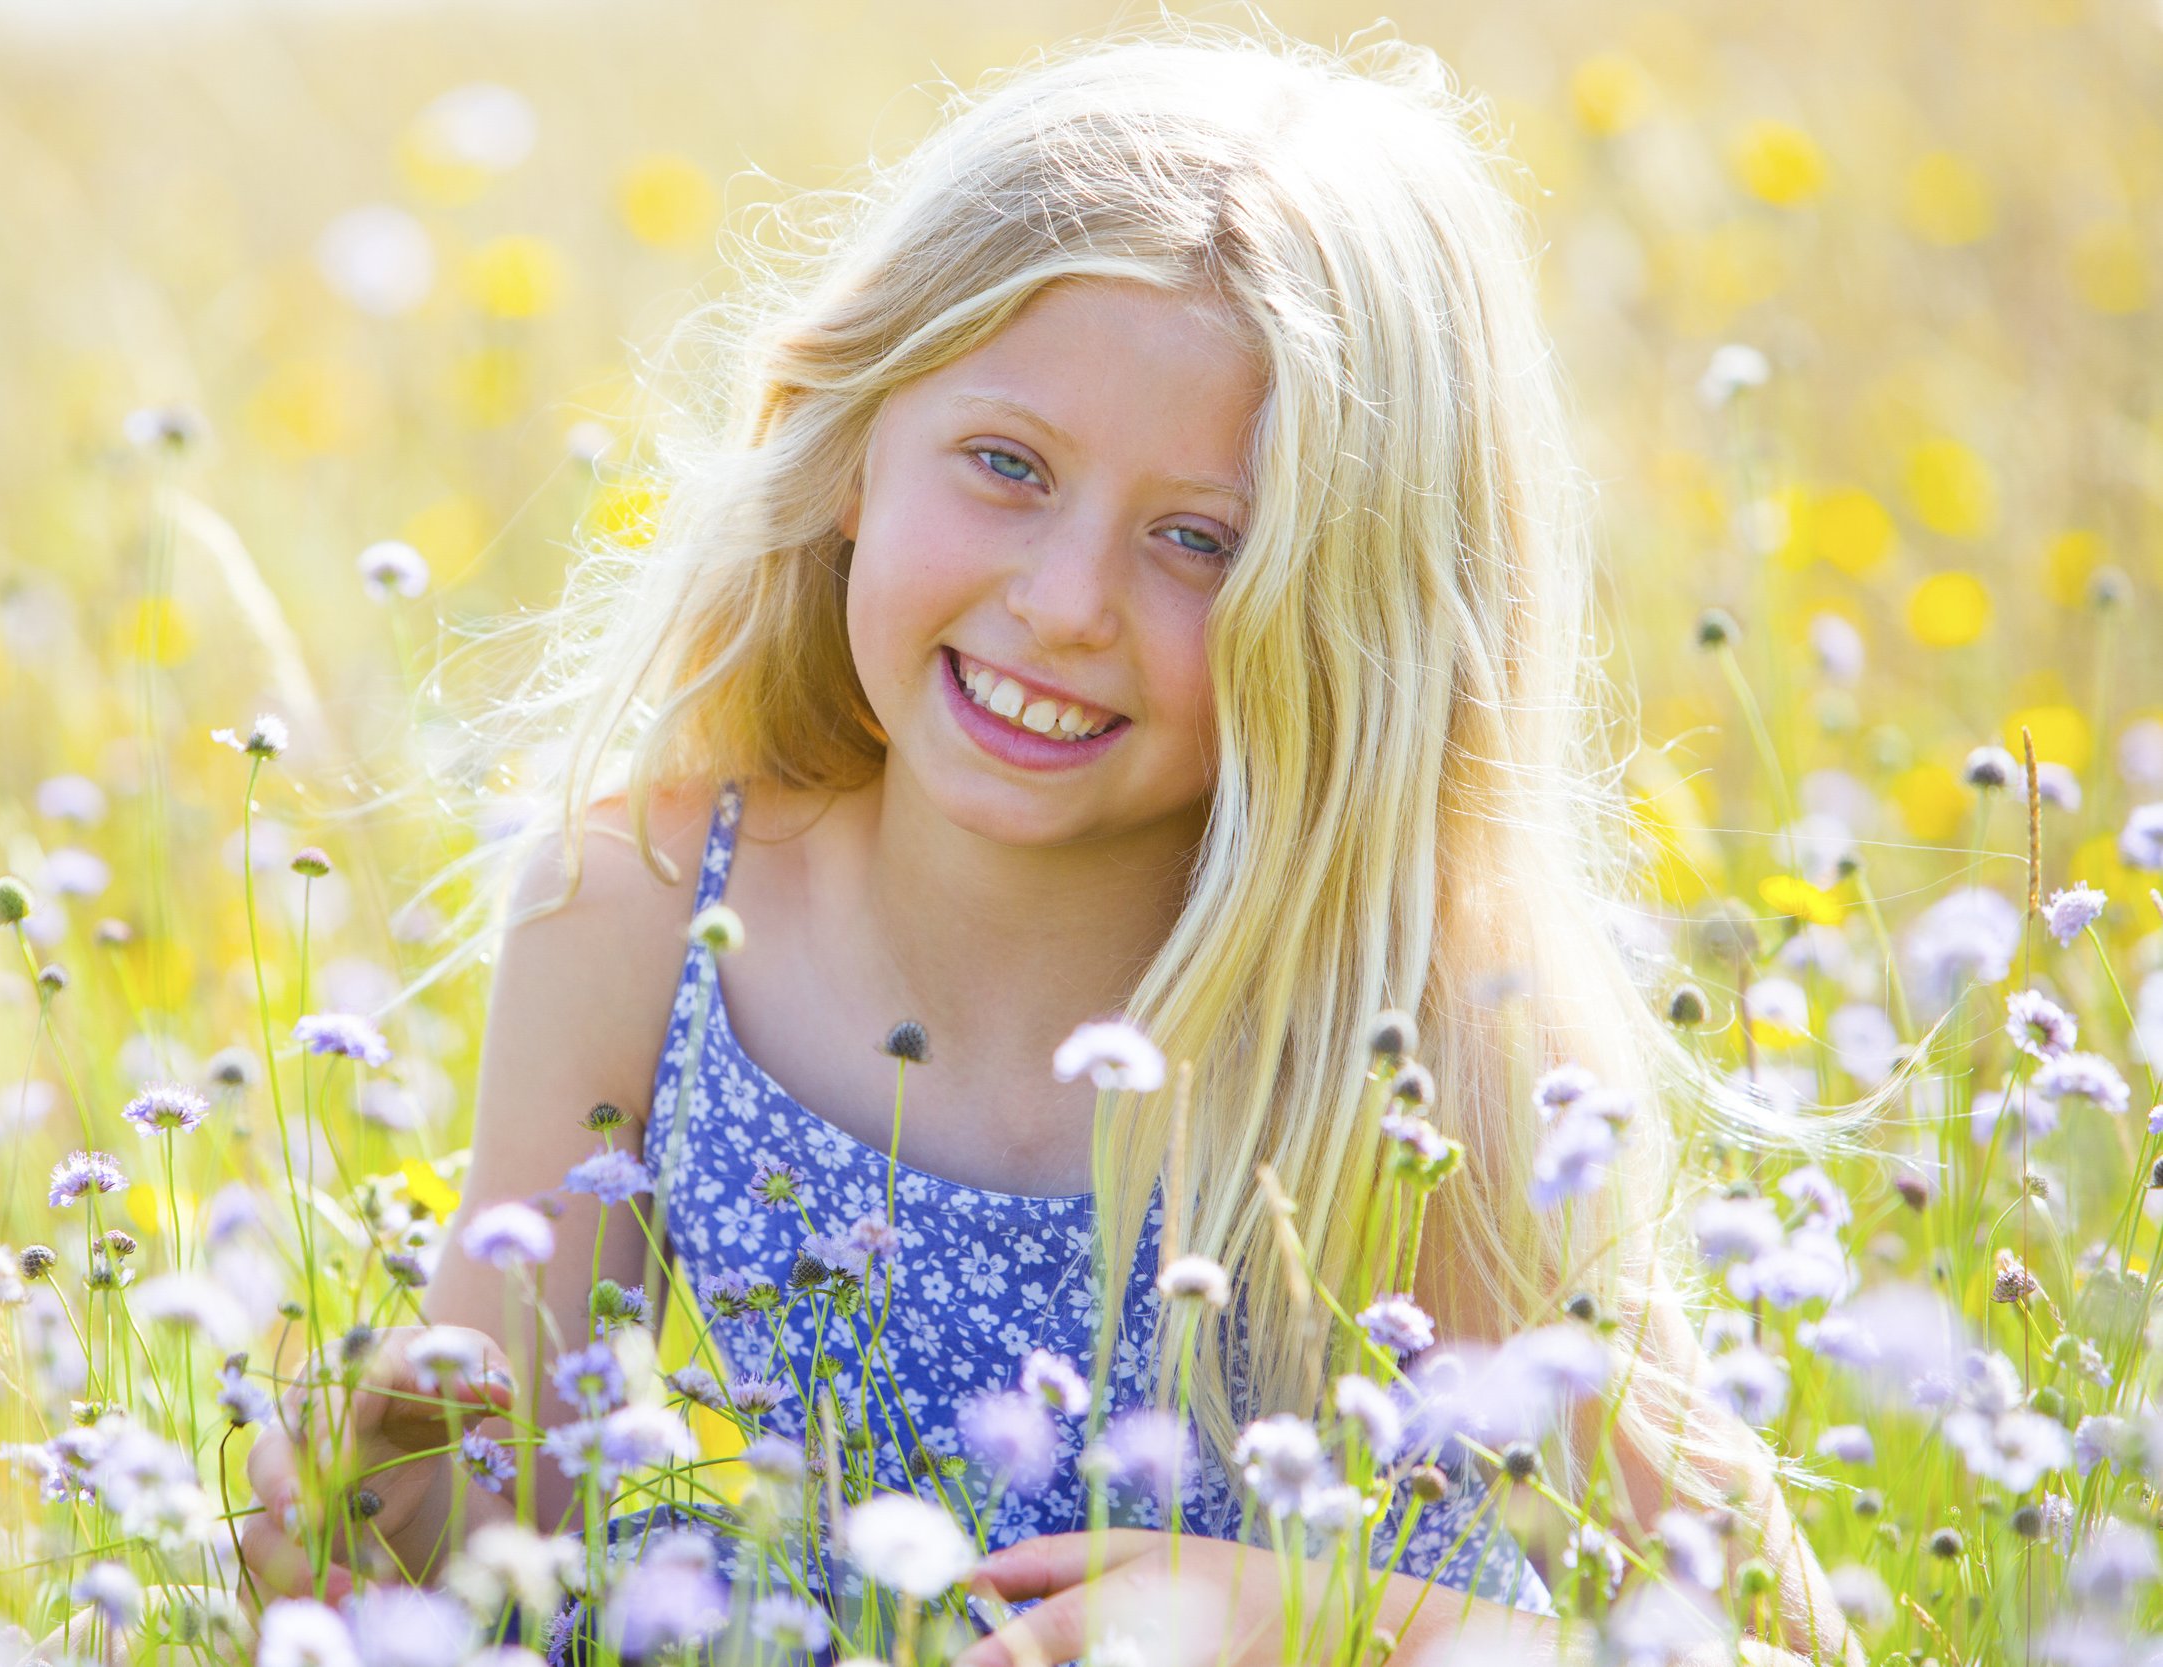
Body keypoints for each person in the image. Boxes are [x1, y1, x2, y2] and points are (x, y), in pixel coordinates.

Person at [241, 19, 1848, 1664]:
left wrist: (1313, 1628)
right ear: (849, 440)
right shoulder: (642, 919)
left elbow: (1781, 1642)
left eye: (1204, 541)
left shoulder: (1402, 1047)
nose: (1070, 603)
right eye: (1006, 466)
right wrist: (373, 1513)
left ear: (1359, 620)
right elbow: (505, 1547)